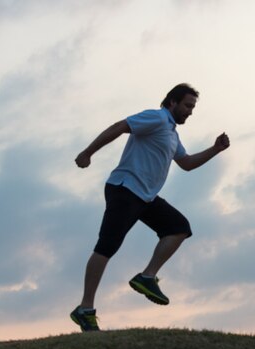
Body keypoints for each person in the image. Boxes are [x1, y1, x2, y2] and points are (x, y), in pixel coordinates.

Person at [70, 83, 230, 332]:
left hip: (145, 197)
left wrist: (215, 149)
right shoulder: (155, 117)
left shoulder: (172, 134)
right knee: (107, 246)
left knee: (179, 228)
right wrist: (88, 152)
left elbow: (186, 163)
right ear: (172, 102)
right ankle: (85, 309)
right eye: (188, 105)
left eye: (193, 107)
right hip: (125, 189)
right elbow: (120, 126)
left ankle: (147, 277)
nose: (190, 111)